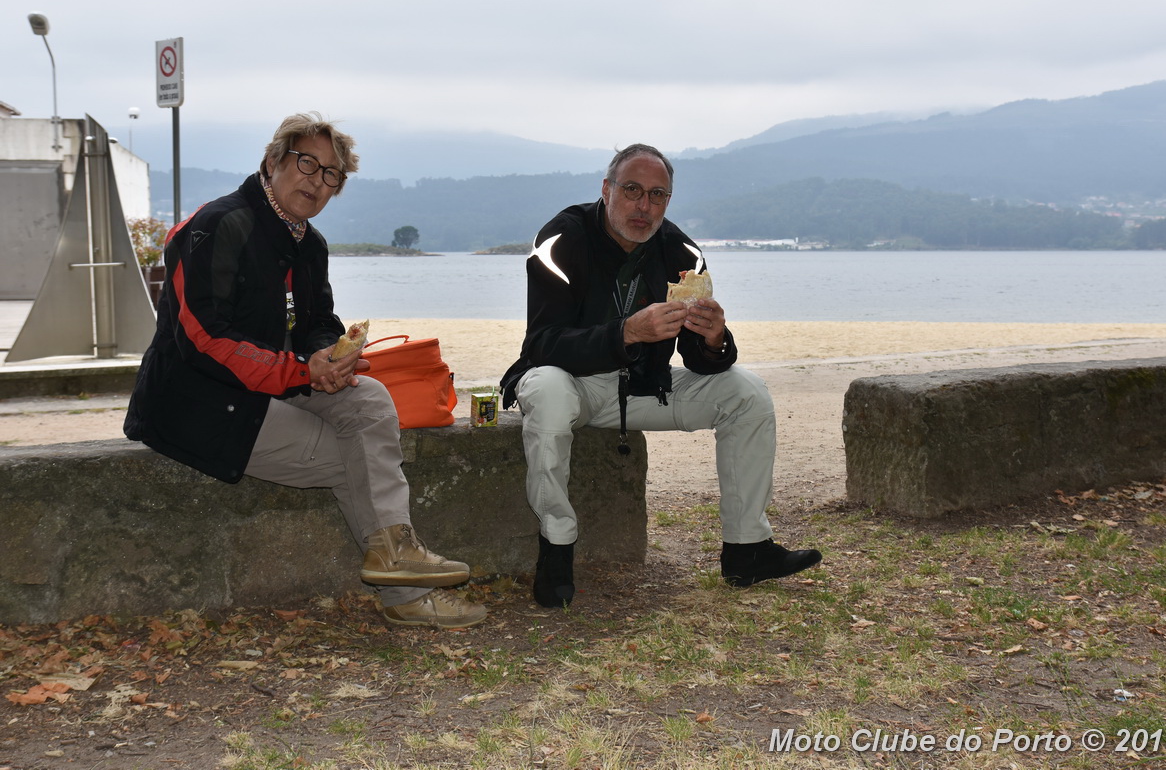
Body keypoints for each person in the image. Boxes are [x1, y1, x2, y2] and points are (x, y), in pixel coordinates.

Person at [124, 113, 485, 629]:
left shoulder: (309, 244)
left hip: (275, 387)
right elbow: (204, 338)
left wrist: (329, 357)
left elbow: (318, 322)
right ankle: (407, 595)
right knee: (358, 459)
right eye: (307, 163)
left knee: (369, 398)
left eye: (331, 174)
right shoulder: (218, 225)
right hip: (201, 402)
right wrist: (300, 371)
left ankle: (396, 555)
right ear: (273, 161)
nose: (317, 181)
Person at [500, 144, 822, 608]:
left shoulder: (682, 251)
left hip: (644, 387)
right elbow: (542, 343)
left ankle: (747, 549)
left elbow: (698, 360)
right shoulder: (562, 238)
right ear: (607, 189)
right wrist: (627, 332)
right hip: (571, 384)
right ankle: (557, 546)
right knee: (548, 389)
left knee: (747, 392)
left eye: (657, 194)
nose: (644, 206)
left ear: (668, 200)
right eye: (632, 190)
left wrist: (714, 339)